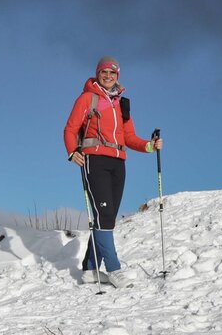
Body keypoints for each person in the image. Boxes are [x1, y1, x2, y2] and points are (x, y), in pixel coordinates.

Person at [63, 56, 162, 288]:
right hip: (94, 160)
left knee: (106, 219)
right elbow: (70, 129)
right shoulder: (87, 98)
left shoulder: (122, 103)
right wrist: (71, 152)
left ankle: (90, 268)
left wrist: (149, 145)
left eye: (113, 73)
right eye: (104, 72)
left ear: (118, 76)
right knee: (104, 216)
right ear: (98, 73)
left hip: (118, 163)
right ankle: (114, 269)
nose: (108, 76)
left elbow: (129, 137)